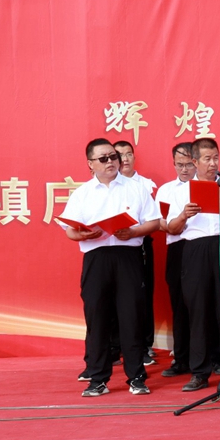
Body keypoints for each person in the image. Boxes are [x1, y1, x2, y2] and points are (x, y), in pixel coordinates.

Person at [62, 138, 160, 396]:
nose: (111, 162)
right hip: (96, 258)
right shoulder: (82, 193)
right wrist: (82, 234)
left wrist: (133, 231)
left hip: (128, 256)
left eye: (113, 156)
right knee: (98, 317)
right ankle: (98, 379)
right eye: (103, 158)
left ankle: (136, 377)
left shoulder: (136, 188)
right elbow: (70, 230)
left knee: (131, 316)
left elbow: (154, 222)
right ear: (90, 164)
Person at [166, 138, 220, 392]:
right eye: (207, 159)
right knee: (198, 312)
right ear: (195, 161)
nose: (213, 163)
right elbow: (172, 228)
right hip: (195, 250)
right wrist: (184, 215)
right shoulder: (181, 191)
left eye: (216, 158)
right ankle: (199, 373)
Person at [113, 140, 157, 365]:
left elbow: (152, 218)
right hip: (112, 245)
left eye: (129, 154)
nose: (125, 159)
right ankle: (115, 346)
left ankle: (144, 345)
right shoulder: (106, 185)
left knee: (141, 295)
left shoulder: (146, 185)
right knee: (113, 297)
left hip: (139, 243)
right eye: (120, 155)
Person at [155, 143, 195, 377]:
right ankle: (181, 359)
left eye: (188, 164)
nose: (184, 169)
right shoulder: (166, 190)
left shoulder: (209, 185)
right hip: (177, 249)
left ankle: (212, 358)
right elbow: (158, 221)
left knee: (204, 304)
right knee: (180, 305)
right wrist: (172, 225)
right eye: (179, 165)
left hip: (200, 246)